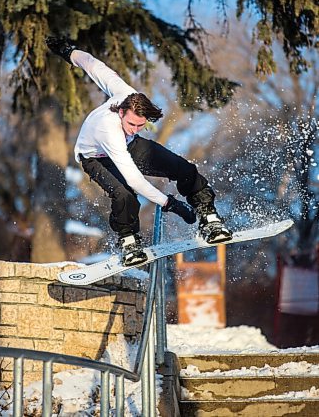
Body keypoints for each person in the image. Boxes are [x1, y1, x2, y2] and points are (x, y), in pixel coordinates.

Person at [46, 37, 232, 266]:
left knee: (183, 168)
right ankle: (129, 241)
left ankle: (209, 216)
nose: (135, 128)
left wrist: (70, 52)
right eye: (131, 124)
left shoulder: (125, 93)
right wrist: (170, 204)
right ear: (121, 111)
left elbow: (95, 67)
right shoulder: (109, 128)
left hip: (129, 146)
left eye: (140, 125)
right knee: (124, 194)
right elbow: (134, 180)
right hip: (95, 158)